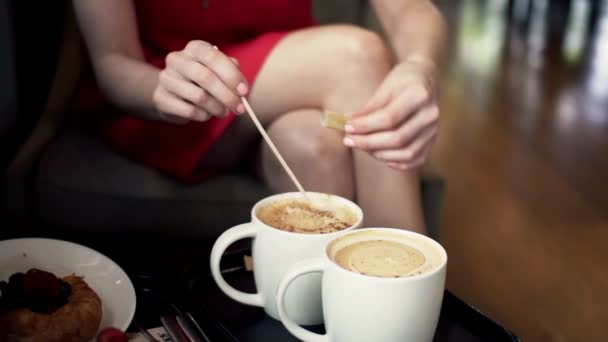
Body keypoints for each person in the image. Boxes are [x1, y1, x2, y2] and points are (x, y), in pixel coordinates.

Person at [73, 0, 446, 235]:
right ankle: (400, 287)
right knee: (357, 57)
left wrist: (419, 66)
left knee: (315, 150)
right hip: (165, 100)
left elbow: (410, 7)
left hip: (292, 90)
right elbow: (113, 62)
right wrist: (162, 88)